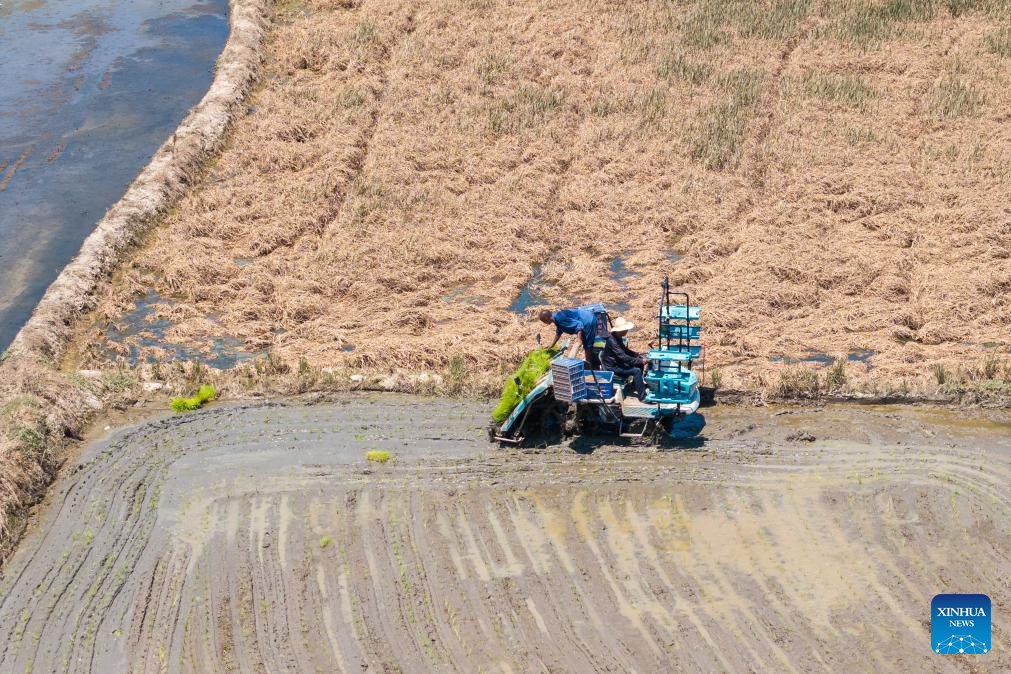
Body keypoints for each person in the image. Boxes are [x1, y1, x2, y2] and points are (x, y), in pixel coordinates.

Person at [600, 317, 647, 401]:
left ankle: (635, 385)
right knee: (636, 371)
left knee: (639, 362)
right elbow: (624, 357)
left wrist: (634, 354)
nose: (627, 331)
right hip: (613, 367)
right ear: (620, 330)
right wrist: (641, 360)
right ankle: (643, 397)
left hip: (618, 362)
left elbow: (624, 350)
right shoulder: (612, 341)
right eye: (625, 329)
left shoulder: (617, 337)